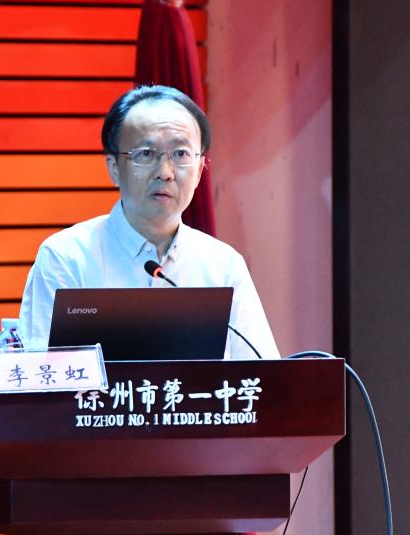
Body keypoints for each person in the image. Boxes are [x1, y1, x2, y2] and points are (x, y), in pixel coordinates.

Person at [18, 84, 279, 360]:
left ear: (200, 170)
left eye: (180, 154)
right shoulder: (66, 258)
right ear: (114, 168)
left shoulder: (223, 266)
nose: (165, 172)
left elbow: (262, 374)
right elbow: (40, 374)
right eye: (145, 154)